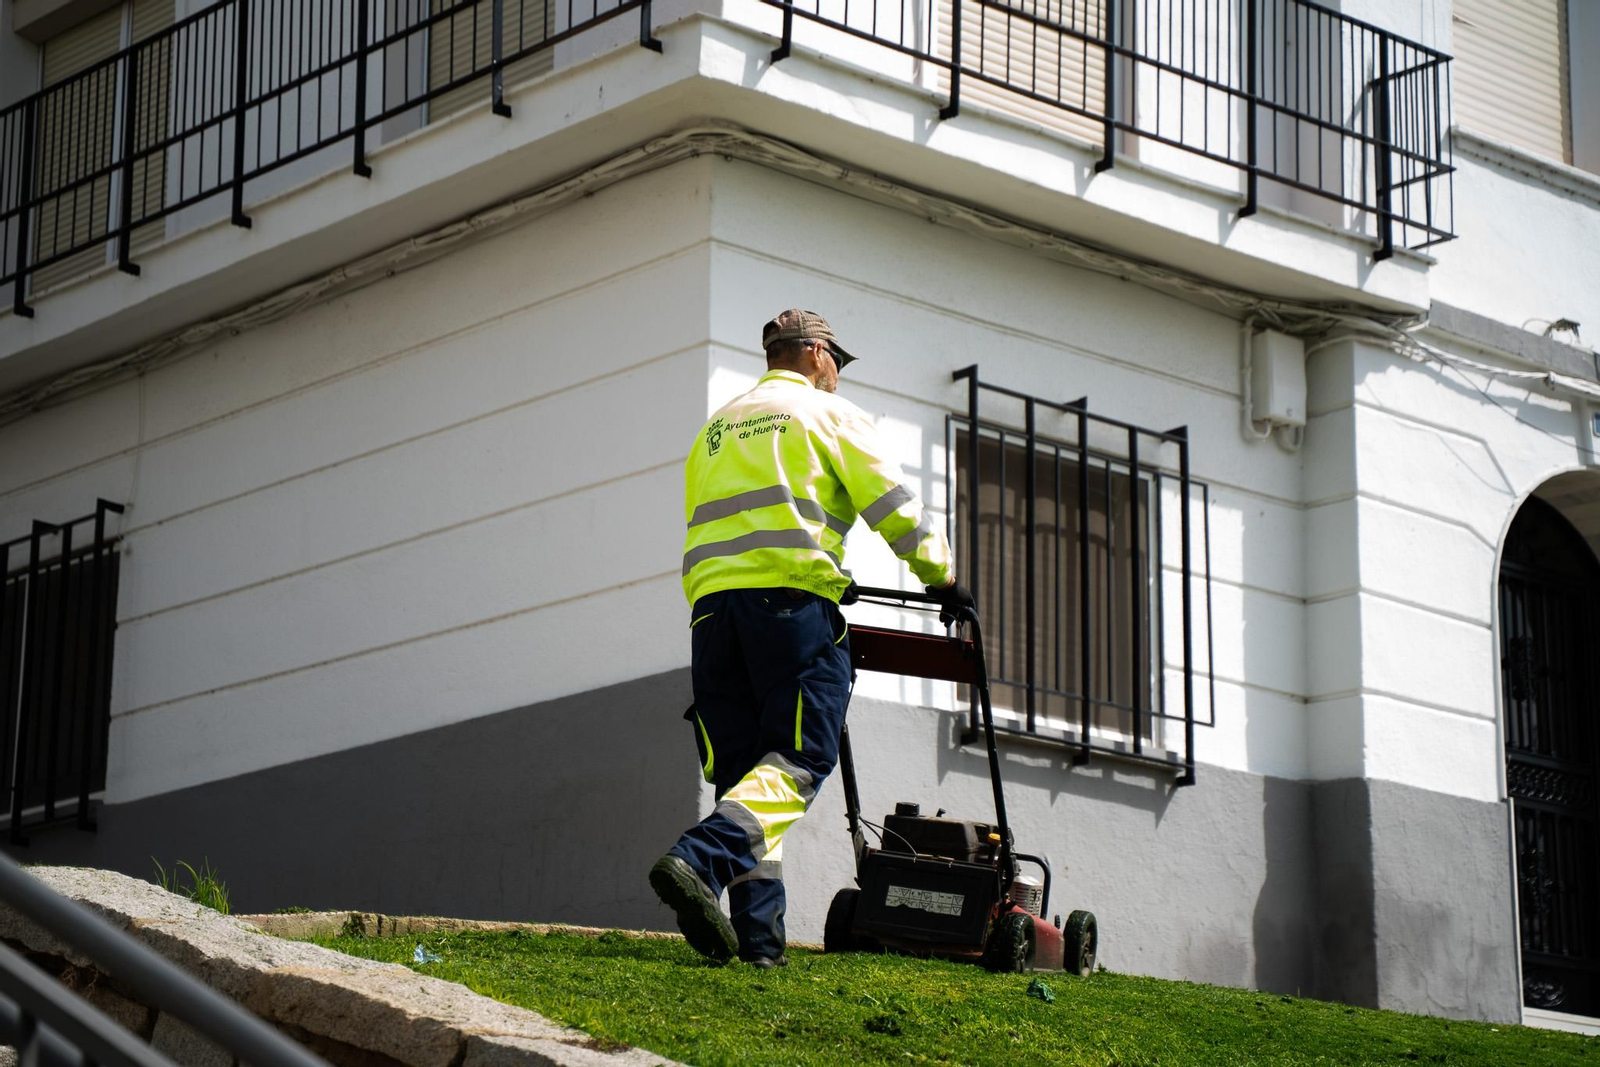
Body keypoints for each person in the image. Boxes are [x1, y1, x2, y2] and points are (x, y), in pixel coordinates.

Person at [649, 308, 975, 967]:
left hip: (712, 615)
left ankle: (758, 945)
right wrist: (945, 581)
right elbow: (892, 505)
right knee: (800, 758)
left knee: (748, 775)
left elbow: (731, 521)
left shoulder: (715, 430)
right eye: (835, 364)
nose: (835, 375)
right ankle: (699, 858)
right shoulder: (830, 415)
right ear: (818, 354)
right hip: (791, 607)